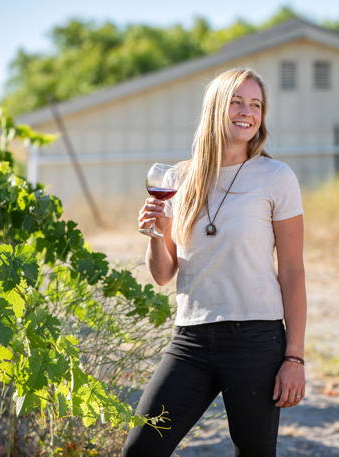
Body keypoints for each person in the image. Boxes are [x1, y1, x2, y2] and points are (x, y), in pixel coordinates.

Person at [124, 68, 306, 457]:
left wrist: (294, 356)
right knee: (140, 450)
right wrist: (156, 232)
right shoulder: (178, 178)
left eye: (255, 105)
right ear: (215, 108)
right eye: (236, 102)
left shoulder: (276, 177)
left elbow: (292, 270)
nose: (247, 112)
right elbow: (163, 274)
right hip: (191, 339)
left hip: (256, 339)